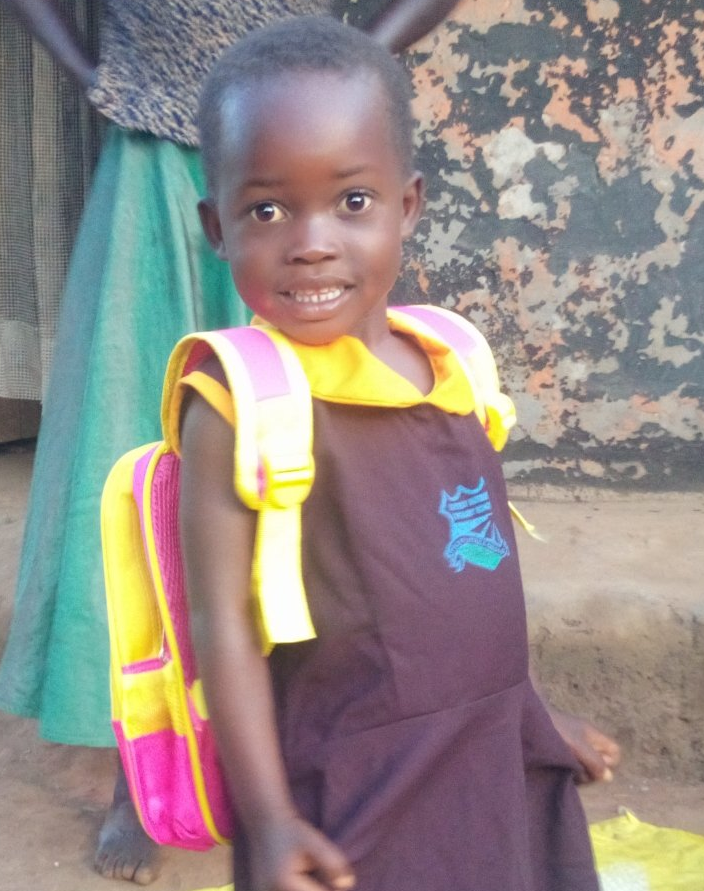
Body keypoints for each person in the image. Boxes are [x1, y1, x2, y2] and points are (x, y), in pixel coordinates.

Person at [0, 0, 463, 884]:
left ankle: (323, 738)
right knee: (140, 470)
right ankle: (143, 770)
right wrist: (86, 68)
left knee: (314, 452)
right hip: (155, 163)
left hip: (316, 157)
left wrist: (346, 67)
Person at [174, 16, 619, 890]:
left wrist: (528, 715)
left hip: (491, 761)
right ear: (217, 227)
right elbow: (219, 625)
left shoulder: (453, 360)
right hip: (358, 780)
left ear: (406, 203)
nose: (311, 239)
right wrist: (265, 819)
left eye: (352, 201)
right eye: (267, 208)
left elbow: (472, 575)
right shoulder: (237, 399)